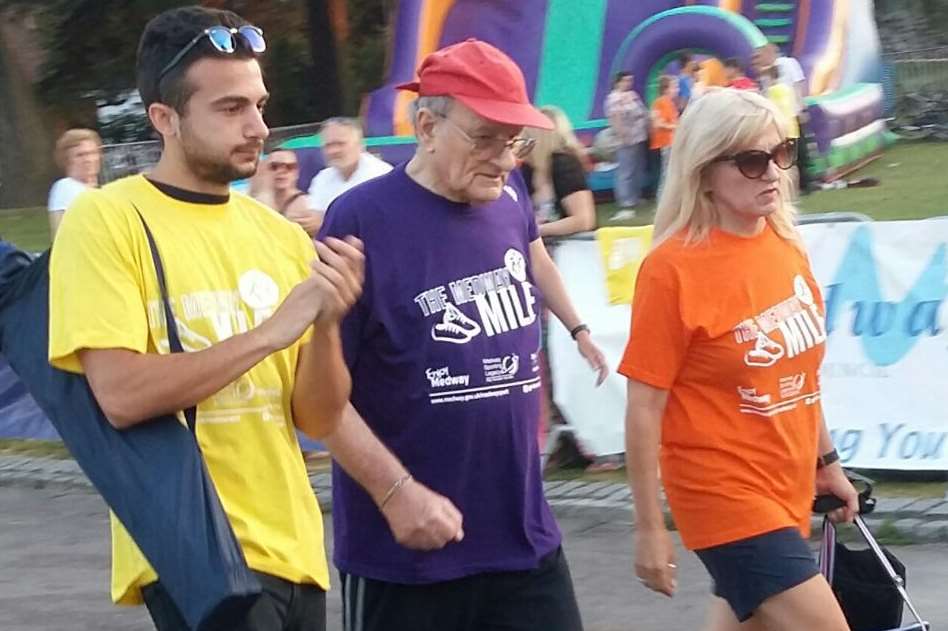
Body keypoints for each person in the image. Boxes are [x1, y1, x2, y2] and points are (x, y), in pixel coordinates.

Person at [48, 6, 365, 630]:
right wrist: (273, 331)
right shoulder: (107, 219)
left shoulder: (281, 236)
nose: (257, 127)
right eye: (230, 108)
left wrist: (325, 322)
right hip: (195, 548)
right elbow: (118, 393)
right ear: (164, 119)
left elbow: (319, 417)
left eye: (259, 104)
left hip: (297, 551)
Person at [318, 39, 607, 631]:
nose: (505, 159)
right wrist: (396, 493)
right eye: (485, 137)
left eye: (515, 141)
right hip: (408, 558)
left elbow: (532, 258)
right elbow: (317, 401)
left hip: (523, 539)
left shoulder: (509, 198)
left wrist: (577, 326)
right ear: (426, 125)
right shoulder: (358, 222)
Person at [619, 88, 858, 630]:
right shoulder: (671, 270)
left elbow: (802, 377)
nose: (773, 171)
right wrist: (649, 527)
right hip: (722, 497)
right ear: (703, 172)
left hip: (786, 486)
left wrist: (828, 465)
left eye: (782, 153)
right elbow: (642, 408)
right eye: (752, 160)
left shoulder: (785, 247)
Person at [520, 105, 595, 239]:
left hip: (571, 247)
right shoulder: (527, 169)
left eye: (524, 138)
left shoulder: (564, 164)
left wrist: (534, 231)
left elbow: (584, 220)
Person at [307, 117, 392, 215]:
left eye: (340, 144)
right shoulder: (322, 177)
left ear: (360, 145)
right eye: (328, 145)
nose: (333, 151)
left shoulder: (381, 175)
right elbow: (314, 213)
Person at [604, 71, 649, 218]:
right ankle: (625, 200)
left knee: (636, 168)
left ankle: (635, 196)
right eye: (626, 80)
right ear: (618, 82)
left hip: (638, 137)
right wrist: (622, 134)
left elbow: (642, 111)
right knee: (625, 170)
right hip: (625, 139)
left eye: (630, 80)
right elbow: (615, 117)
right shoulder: (614, 98)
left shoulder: (632, 95)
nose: (629, 83)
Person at [252, 148, 323, 235]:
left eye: (289, 167)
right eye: (274, 166)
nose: (282, 171)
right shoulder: (255, 199)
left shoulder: (305, 205)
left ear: (296, 173)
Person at [48, 128, 102, 240]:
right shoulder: (66, 188)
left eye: (93, 153)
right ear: (67, 159)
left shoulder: (97, 190)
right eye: (80, 155)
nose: (89, 159)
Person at [649, 76, 679, 199]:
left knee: (671, 172)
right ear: (666, 89)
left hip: (671, 141)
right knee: (667, 172)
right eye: (674, 87)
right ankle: (662, 199)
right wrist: (675, 126)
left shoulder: (670, 103)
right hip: (665, 142)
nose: (676, 90)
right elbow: (657, 123)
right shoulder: (659, 103)